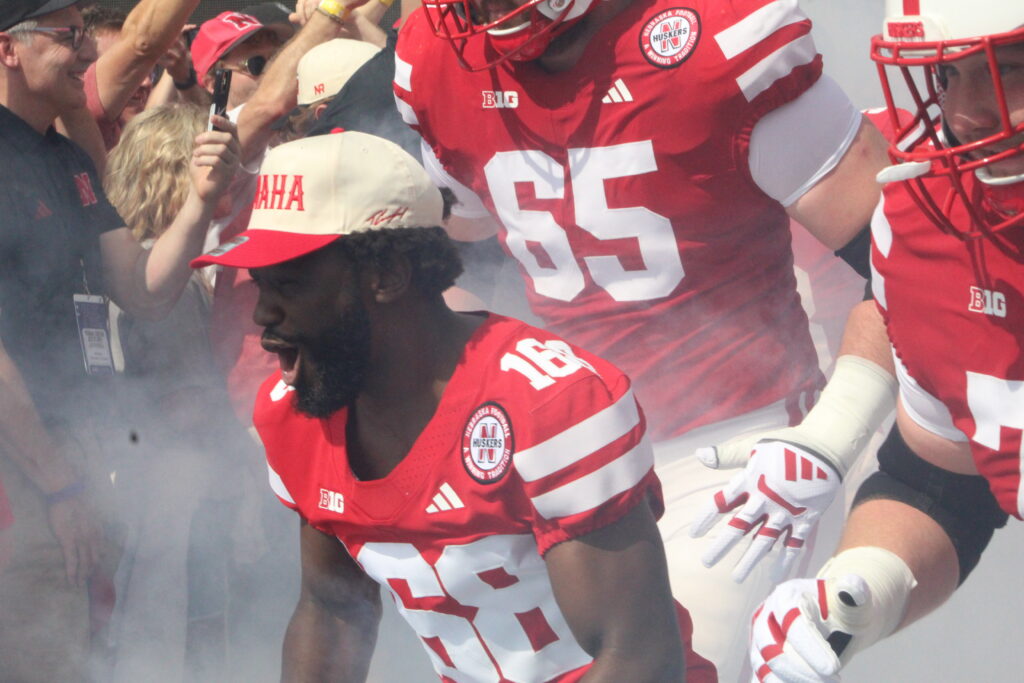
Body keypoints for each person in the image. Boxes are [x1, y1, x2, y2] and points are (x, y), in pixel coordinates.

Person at [391, 0, 893, 677]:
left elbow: (910, 267)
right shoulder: (436, 49)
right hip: (569, 456)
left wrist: (834, 431)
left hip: (735, 449)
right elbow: (462, 228)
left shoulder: (719, 38)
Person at [192, 130, 717, 682]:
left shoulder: (550, 404)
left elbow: (638, 658)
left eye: (290, 285)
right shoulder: (294, 413)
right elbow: (333, 608)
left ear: (387, 276)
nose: (262, 316)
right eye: (260, 285)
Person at [748, 2, 1024, 680]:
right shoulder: (925, 230)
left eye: (1007, 69)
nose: (965, 115)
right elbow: (939, 480)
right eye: (949, 76)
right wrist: (860, 590)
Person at [0, 1, 239, 679]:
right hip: (25, 463)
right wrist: (57, 485)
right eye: (65, 35)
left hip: (82, 449)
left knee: (85, 651)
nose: (83, 52)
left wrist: (199, 199)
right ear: (8, 50)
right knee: (35, 649)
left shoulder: (68, 158)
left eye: (83, 34)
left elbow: (144, 291)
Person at [103, 102, 257, 683]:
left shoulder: (129, 262)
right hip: (170, 496)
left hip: (148, 490)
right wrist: (244, 465)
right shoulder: (162, 277)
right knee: (167, 646)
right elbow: (183, 406)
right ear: (176, 173)